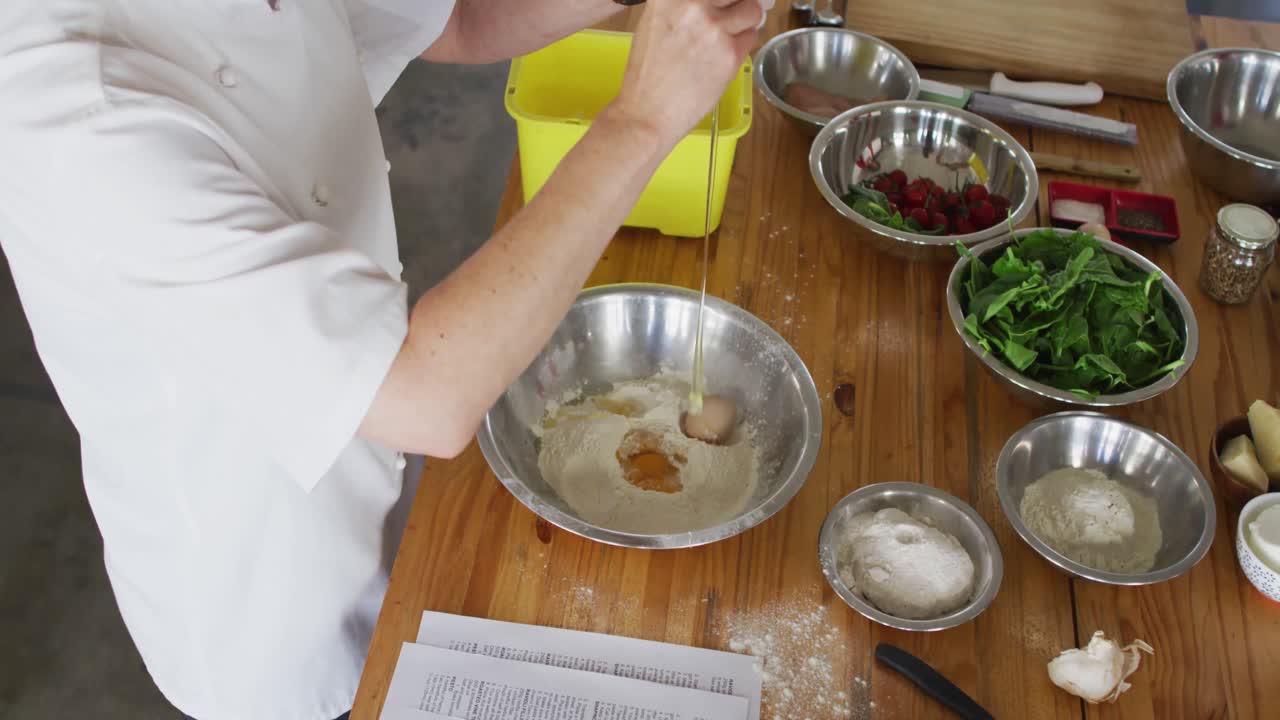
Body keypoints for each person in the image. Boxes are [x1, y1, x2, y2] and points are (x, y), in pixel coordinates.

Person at [0, 0, 770, 718]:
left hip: (376, 470)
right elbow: (422, 397)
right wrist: (642, 119)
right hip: (264, 595)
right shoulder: (77, 123)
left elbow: (456, 20)